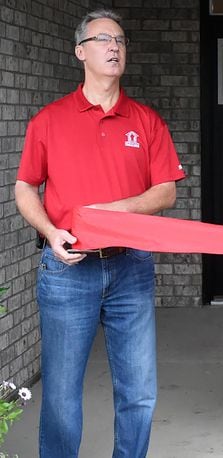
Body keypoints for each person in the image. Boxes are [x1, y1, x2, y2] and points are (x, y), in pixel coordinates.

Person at [14, 9, 185, 457]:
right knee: (62, 396)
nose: (114, 47)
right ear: (80, 52)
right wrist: (51, 231)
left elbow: (165, 191)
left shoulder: (145, 121)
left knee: (139, 393)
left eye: (121, 41)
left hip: (131, 265)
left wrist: (116, 209)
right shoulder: (49, 120)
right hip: (68, 270)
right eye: (103, 39)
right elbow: (24, 186)